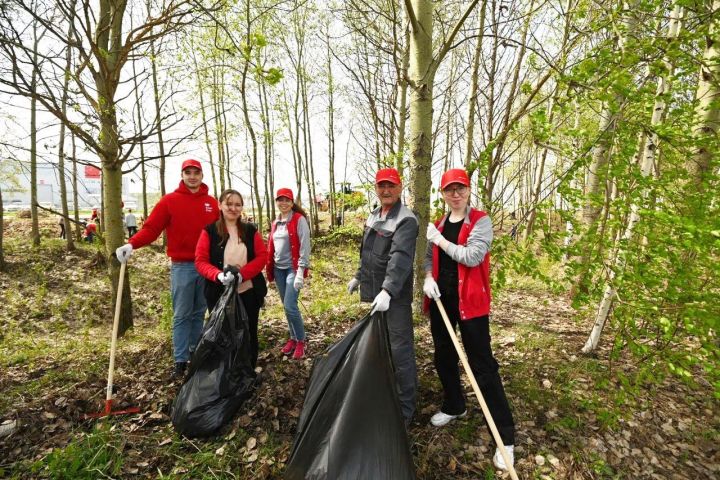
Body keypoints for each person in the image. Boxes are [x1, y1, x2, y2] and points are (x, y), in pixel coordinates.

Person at [422, 168, 515, 470]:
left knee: (482, 365)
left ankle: (505, 437)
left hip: (471, 305)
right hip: (441, 301)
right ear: (444, 194)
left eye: (460, 188)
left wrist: (442, 241)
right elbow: (427, 256)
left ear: (468, 190)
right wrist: (426, 277)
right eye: (450, 190)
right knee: (444, 357)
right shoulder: (438, 224)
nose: (456, 194)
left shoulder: (481, 221)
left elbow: (473, 257)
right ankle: (455, 405)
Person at [115, 159, 219, 379]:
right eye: (188, 172)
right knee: (182, 314)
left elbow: (223, 232)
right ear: (182, 175)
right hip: (182, 266)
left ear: (202, 175)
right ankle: (180, 360)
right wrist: (131, 244)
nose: (192, 176)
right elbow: (152, 229)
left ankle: (194, 353)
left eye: (196, 173)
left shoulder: (211, 203)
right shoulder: (169, 201)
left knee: (199, 312)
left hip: (207, 266)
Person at [346, 167, 418, 424]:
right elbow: (366, 251)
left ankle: (405, 409)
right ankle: (386, 396)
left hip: (393, 298)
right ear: (376, 189)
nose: (386, 190)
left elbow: (400, 259)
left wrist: (388, 290)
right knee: (382, 346)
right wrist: (358, 276)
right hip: (375, 294)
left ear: (399, 188)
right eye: (381, 186)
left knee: (400, 350)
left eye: (391, 186)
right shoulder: (374, 215)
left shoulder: (406, 219)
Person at [195, 189, 268, 369]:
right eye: (229, 204)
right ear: (220, 205)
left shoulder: (250, 231)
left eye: (237, 204)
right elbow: (200, 261)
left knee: (249, 331)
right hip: (219, 293)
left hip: (248, 291)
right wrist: (218, 275)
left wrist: (243, 274)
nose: (233, 208)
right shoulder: (210, 231)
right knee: (223, 334)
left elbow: (261, 257)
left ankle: (248, 369)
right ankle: (226, 372)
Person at [266, 188, 311, 360]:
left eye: (287, 200)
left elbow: (305, 245)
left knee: (291, 305)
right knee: (286, 306)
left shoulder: (299, 220)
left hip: (293, 268)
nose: (283, 203)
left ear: (292, 203)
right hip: (279, 270)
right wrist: (269, 271)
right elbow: (271, 246)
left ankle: (301, 340)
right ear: (276, 202)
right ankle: (292, 337)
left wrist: (300, 270)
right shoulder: (276, 222)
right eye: (280, 200)